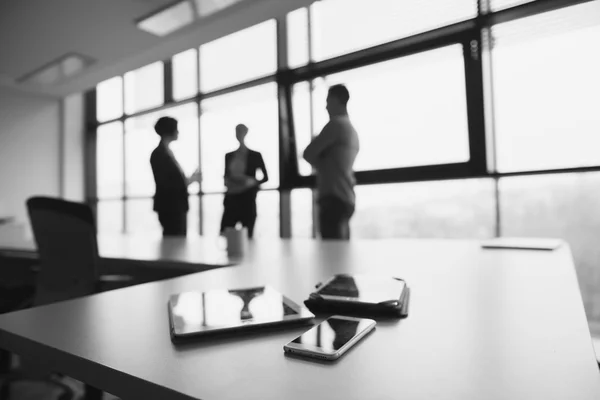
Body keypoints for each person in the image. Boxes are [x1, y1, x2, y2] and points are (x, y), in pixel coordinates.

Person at [303, 84, 359, 240]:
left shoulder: (336, 126)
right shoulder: (351, 129)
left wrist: (318, 152)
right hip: (345, 196)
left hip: (333, 197)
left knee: (331, 255)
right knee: (340, 252)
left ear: (336, 100)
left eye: (328, 101)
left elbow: (308, 154)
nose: (326, 106)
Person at [150, 117, 200, 237]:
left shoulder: (166, 152)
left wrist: (190, 179)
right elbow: (167, 184)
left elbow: (172, 181)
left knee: (176, 242)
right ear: (170, 130)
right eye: (176, 129)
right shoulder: (159, 154)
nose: (178, 132)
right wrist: (190, 180)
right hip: (171, 207)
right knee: (175, 243)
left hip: (174, 206)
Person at [220, 124, 268, 239]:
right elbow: (226, 176)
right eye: (237, 132)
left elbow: (265, 177)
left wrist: (251, 182)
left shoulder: (255, 155)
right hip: (231, 199)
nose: (239, 135)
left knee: (248, 235)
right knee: (226, 233)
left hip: (247, 199)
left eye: (241, 132)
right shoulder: (229, 155)